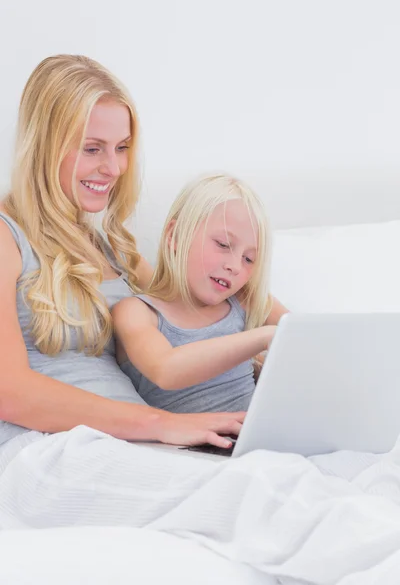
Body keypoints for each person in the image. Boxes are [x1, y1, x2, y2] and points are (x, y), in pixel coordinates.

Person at [0, 54, 248, 453]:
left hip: (134, 445)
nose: (114, 168)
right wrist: (162, 423)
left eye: (122, 147)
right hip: (47, 448)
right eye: (92, 148)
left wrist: (277, 341)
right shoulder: (6, 237)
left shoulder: (115, 250)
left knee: (290, 485)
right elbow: (8, 390)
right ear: (43, 147)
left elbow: (193, 315)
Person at [113, 174, 277, 413]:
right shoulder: (137, 312)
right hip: (190, 447)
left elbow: (305, 339)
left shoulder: (244, 301)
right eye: (223, 245)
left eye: (249, 258)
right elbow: (165, 370)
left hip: (250, 439)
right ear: (176, 235)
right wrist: (262, 338)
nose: (236, 266)